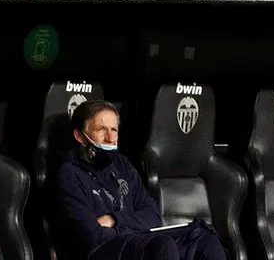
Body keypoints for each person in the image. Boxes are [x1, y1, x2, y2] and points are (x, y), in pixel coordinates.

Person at [51, 100, 227, 260]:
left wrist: (115, 220)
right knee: (161, 245)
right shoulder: (69, 174)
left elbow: (152, 214)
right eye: (101, 130)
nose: (110, 138)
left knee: (204, 240)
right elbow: (93, 235)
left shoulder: (122, 164)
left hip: (136, 239)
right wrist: (134, 227)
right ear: (80, 136)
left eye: (114, 130)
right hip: (101, 251)